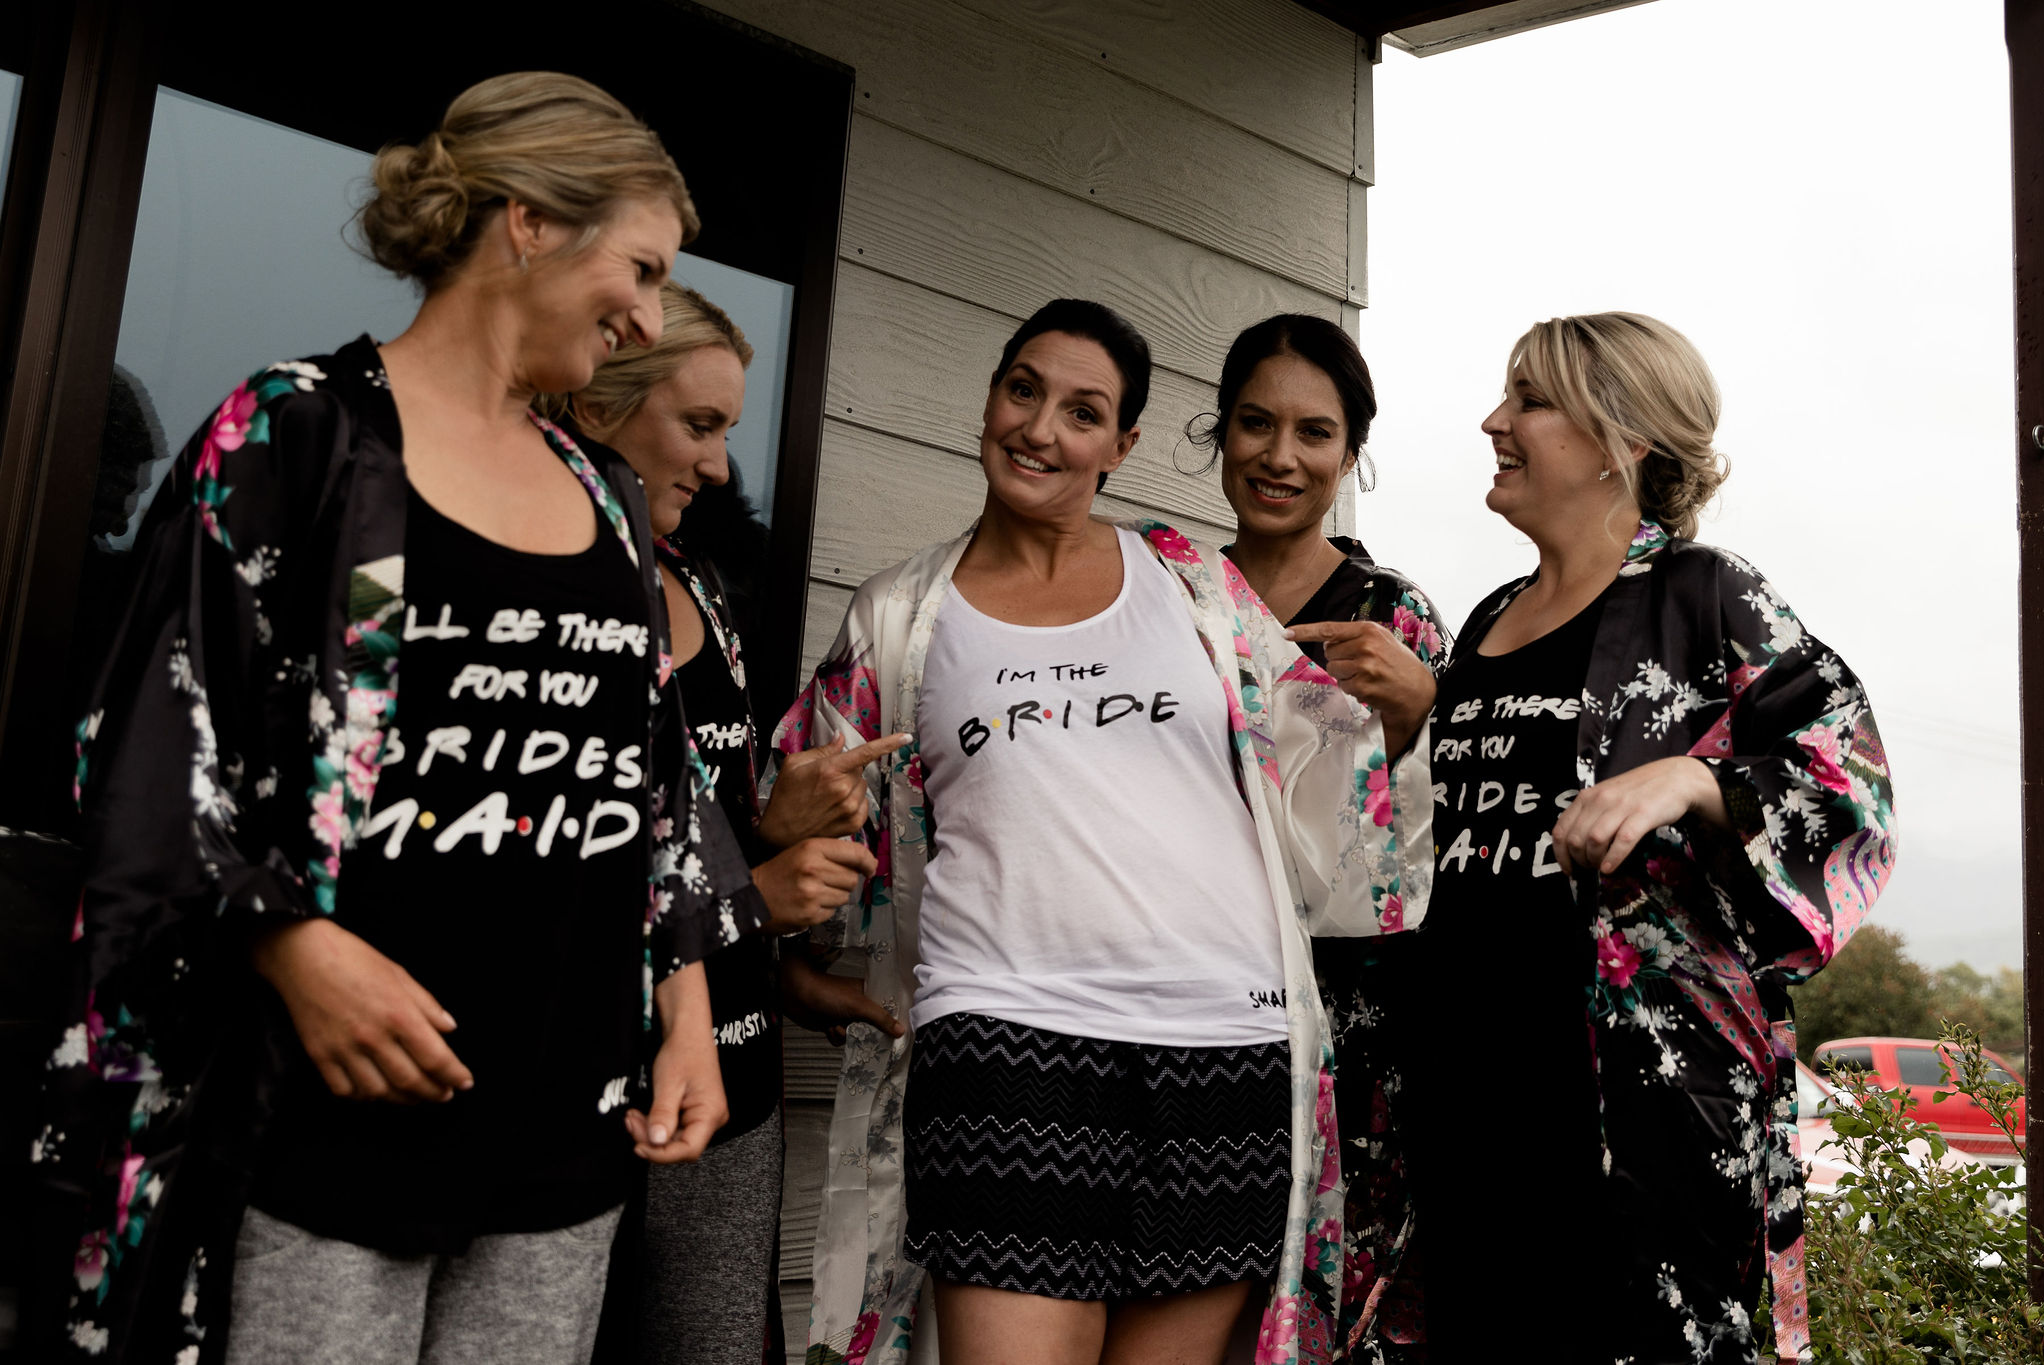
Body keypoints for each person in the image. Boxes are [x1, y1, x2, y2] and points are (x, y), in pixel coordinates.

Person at [34, 72, 840, 1365]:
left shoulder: (606, 501)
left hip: (560, 1135)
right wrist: (292, 946)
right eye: (638, 266)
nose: (643, 313)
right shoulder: (298, 437)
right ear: (526, 223)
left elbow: (655, 789)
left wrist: (686, 1002)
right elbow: (142, 757)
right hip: (332, 1126)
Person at [775, 299, 1435, 1365]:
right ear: (989, 395)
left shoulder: (1197, 590)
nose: (1039, 429)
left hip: (1226, 1056)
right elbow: (799, 805)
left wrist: (1404, 721)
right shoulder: (898, 615)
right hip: (1004, 1047)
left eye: (1082, 412)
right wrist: (789, 953)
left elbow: (1336, 810)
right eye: (1022, 390)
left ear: (1122, 445)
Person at [1369, 313, 1896, 1363]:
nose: (1492, 421)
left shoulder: (1706, 598)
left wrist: (1691, 779)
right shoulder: (1484, 623)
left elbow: (1853, 796)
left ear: (1623, 440)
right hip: (1464, 1092)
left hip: (1625, 1115)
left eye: (1526, 398)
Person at [553, 280, 896, 1365]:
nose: (716, 466)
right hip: (581, 1078)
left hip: (731, 1083)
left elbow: (683, 827)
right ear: (598, 404)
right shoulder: (546, 584)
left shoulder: (701, 585)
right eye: (697, 426)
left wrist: (772, 823)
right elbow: (556, 865)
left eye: (725, 432)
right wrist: (753, 902)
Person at [1189, 314, 1449, 1359]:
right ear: (1218, 433)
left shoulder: (1395, 622)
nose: (1279, 457)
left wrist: (1421, 713)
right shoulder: (1172, 604)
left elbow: (1448, 841)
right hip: (1196, 1007)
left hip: (1358, 1035)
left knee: (1334, 1315)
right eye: (1254, 424)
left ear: (1351, 453)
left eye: (1312, 433)